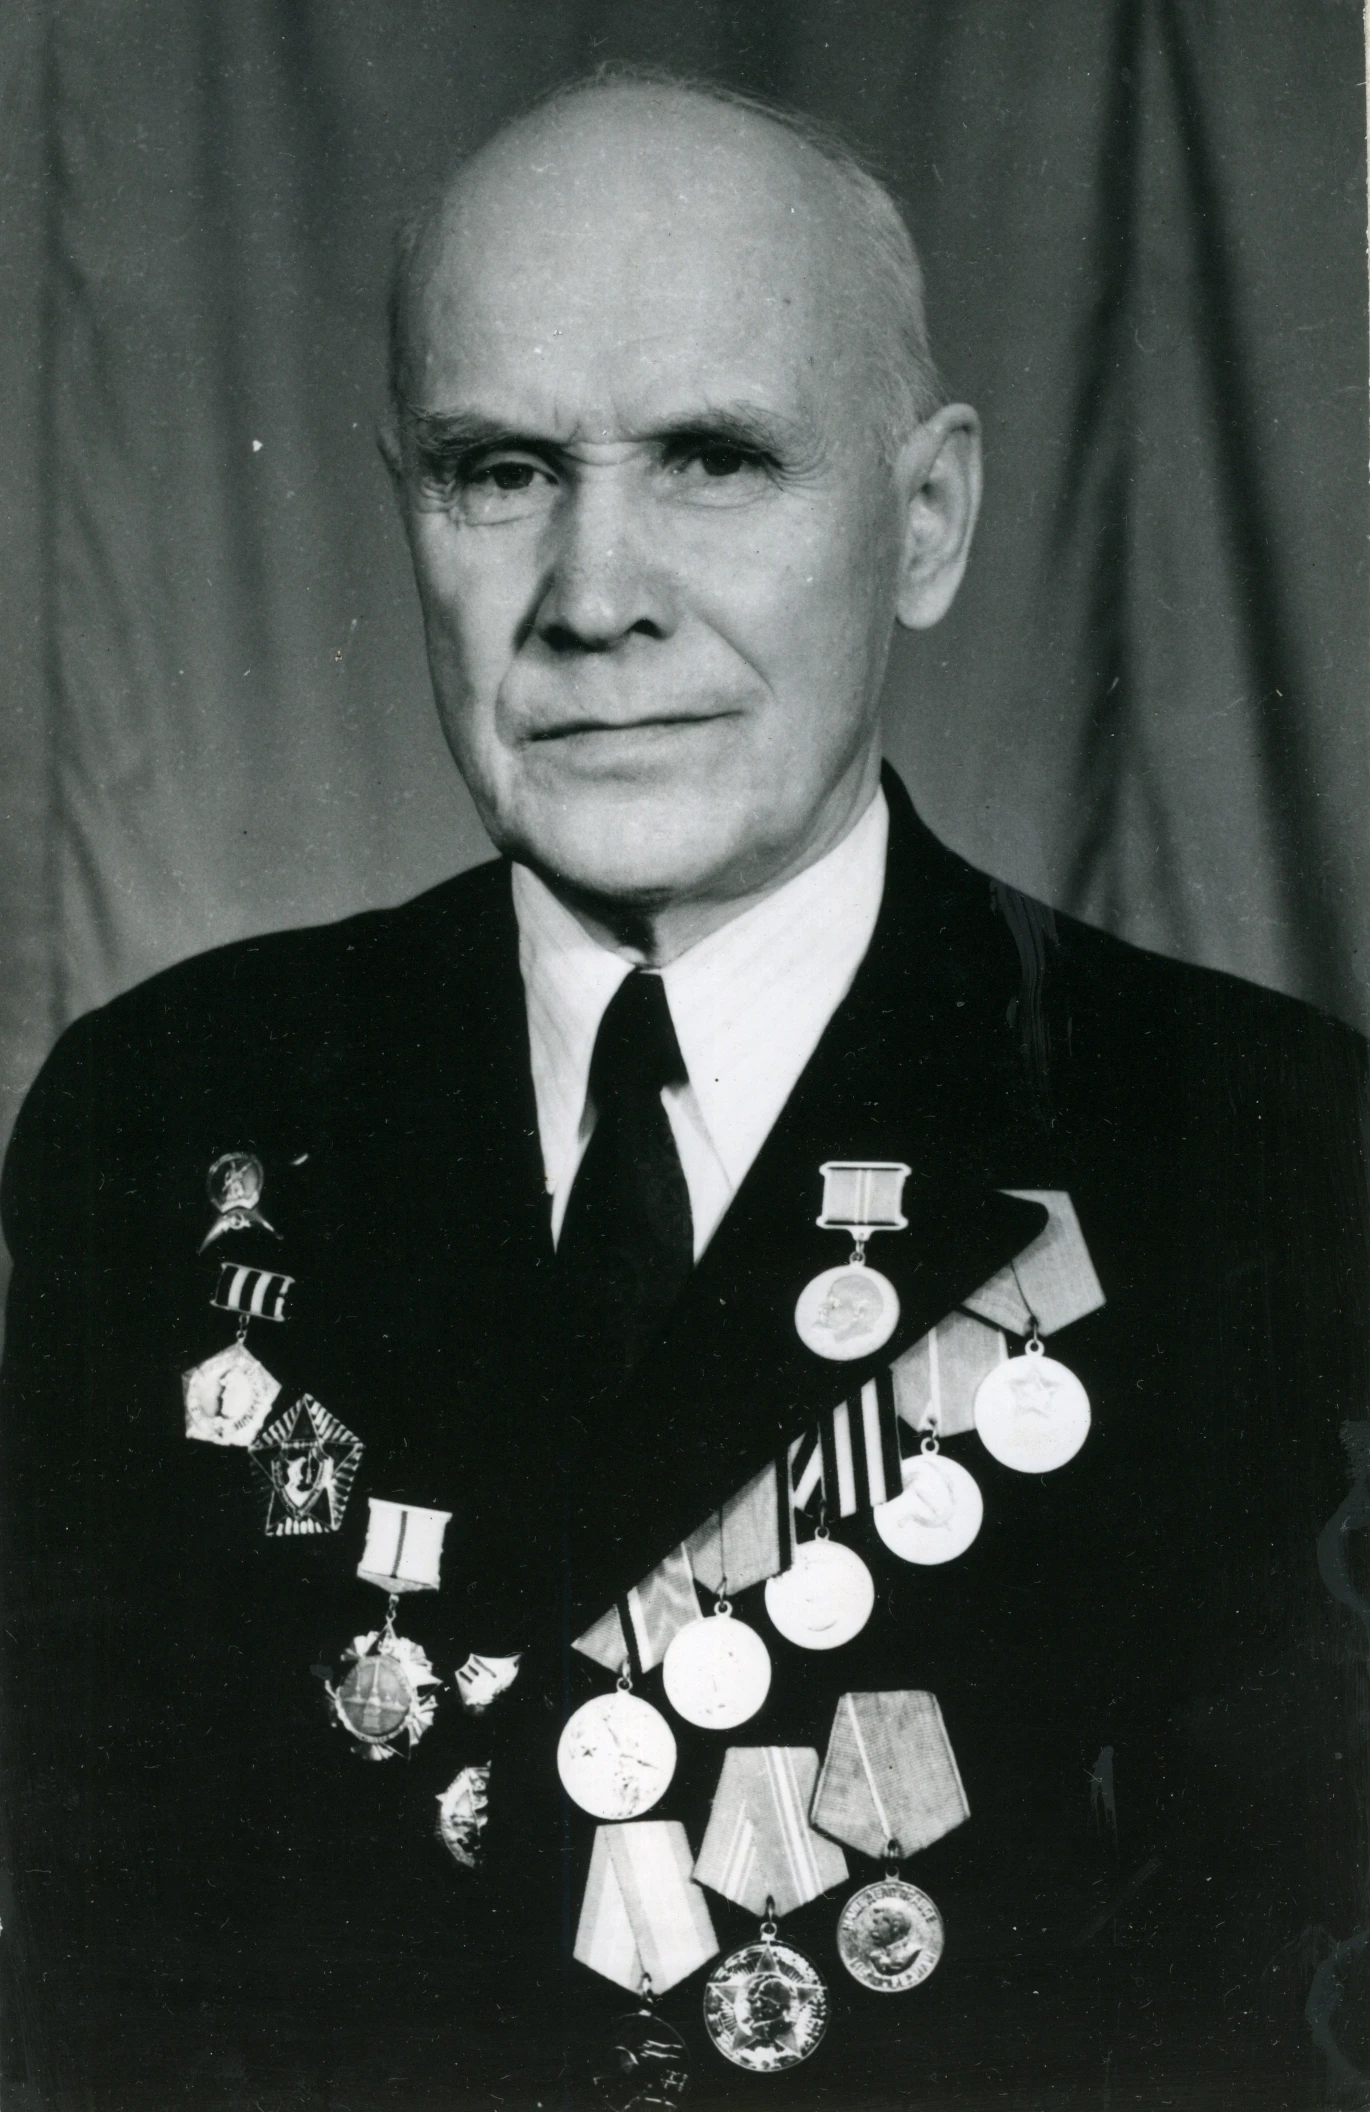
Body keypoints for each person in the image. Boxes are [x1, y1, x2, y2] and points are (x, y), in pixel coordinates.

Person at [2, 70, 1366, 2112]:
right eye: (498, 471)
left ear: (924, 521)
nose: (593, 594)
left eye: (717, 459)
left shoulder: (1256, 1144)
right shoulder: (166, 1111)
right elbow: (87, 1979)